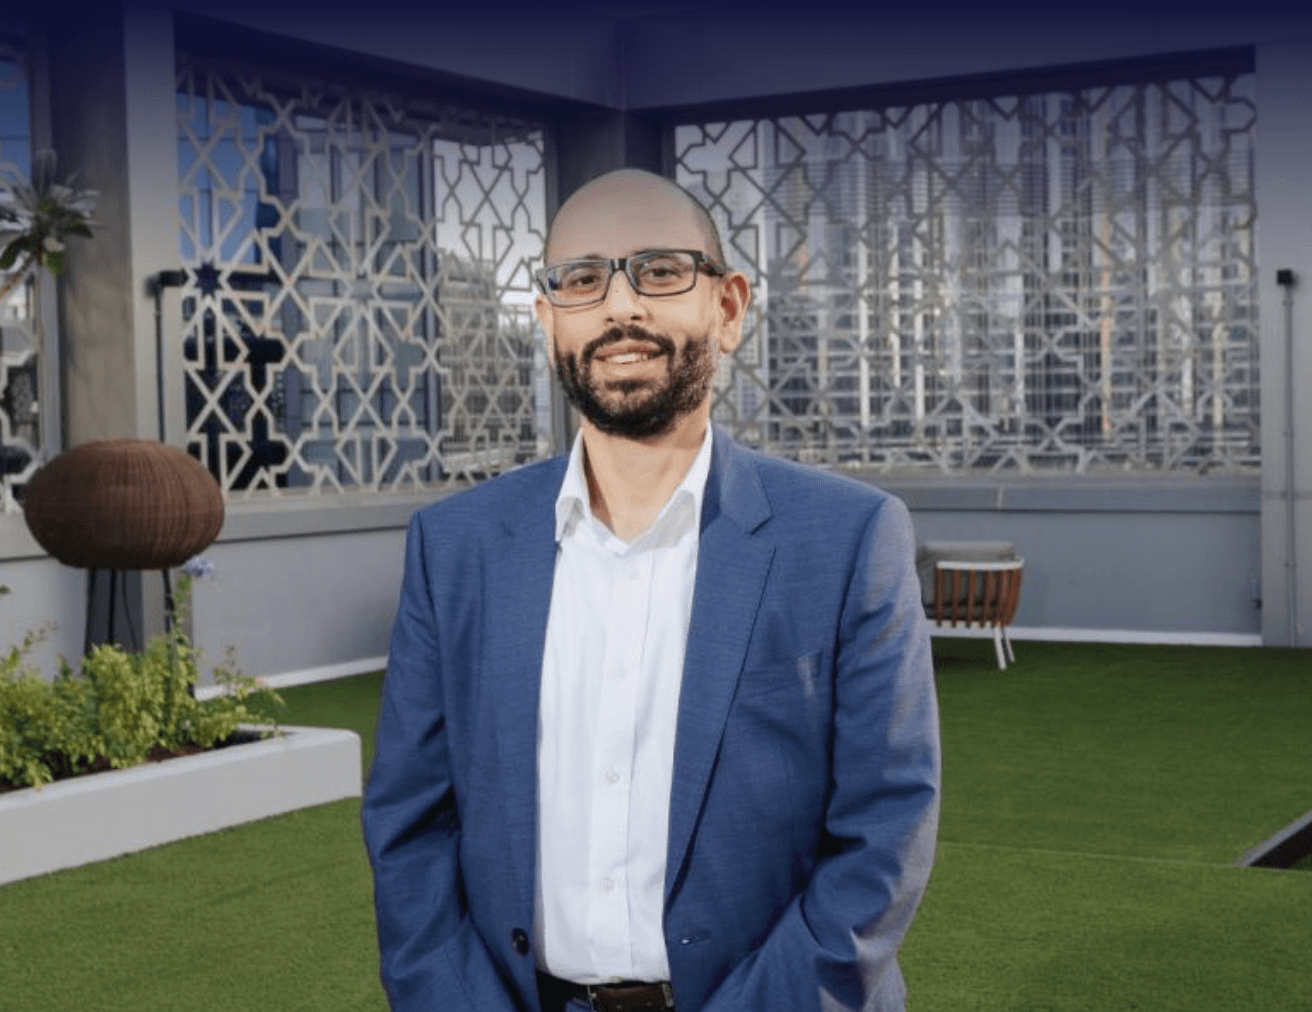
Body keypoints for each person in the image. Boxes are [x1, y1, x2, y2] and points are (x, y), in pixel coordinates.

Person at [362, 168, 940, 1012]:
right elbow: (409, 827)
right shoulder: (455, 548)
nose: (619, 307)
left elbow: (884, 832)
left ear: (729, 308)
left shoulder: (849, 539)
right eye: (582, 279)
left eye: (661, 271)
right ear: (548, 316)